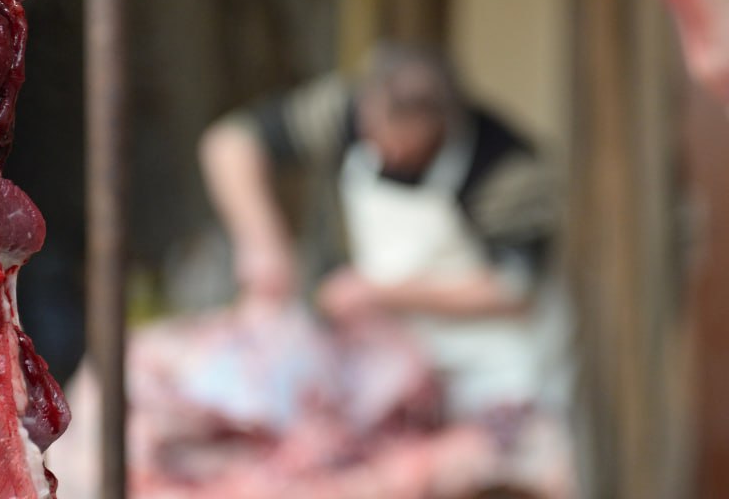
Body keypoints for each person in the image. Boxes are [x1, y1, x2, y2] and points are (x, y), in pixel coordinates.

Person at [200, 42, 569, 424]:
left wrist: (382, 293)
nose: (381, 151)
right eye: (372, 133)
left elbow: (514, 290)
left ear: (440, 121)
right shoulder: (346, 111)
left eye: (400, 144)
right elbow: (230, 144)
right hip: (399, 361)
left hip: (497, 369)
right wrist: (263, 246)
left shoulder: (509, 170)